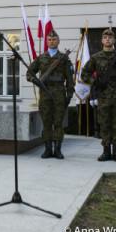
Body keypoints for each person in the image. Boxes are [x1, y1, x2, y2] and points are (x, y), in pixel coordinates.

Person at [81, 29, 116, 162]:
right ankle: (105, 151)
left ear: (114, 40)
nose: (108, 39)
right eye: (105, 37)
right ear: (102, 41)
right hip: (103, 96)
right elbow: (84, 74)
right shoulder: (96, 57)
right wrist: (95, 82)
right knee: (104, 124)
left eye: (110, 37)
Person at [26, 30, 74, 159]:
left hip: (59, 92)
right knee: (46, 122)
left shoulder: (64, 59)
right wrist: (35, 81)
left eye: (54, 39)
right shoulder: (41, 58)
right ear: (47, 42)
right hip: (45, 92)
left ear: (58, 41)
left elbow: (69, 79)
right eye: (49, 40)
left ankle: (57, 150)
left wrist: (69, 95)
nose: (51, 41)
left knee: (58, 122)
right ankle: (47, 149)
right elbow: (29, 73)